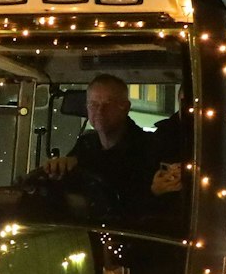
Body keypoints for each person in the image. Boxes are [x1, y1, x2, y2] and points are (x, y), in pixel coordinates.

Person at [36, 73, 170, 215]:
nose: (100, 111)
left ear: (125, 107)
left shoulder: (150, 148)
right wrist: (58, 170)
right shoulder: (86, 144)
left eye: (108, 104)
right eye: (93, 104)